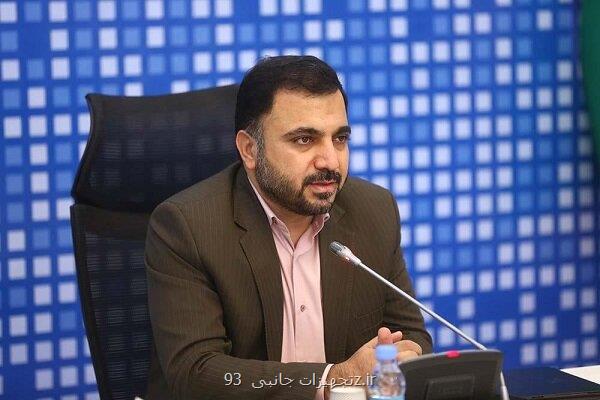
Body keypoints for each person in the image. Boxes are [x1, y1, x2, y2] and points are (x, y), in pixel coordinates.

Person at [144, 55, 432, 400]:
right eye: (304, 140)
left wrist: (400, 357)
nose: (330, 161)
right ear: (250, 150)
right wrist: (331, 379)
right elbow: (197, 373)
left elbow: (411, 335)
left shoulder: (373, 210)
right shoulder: (187, 226)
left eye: (340, 139)